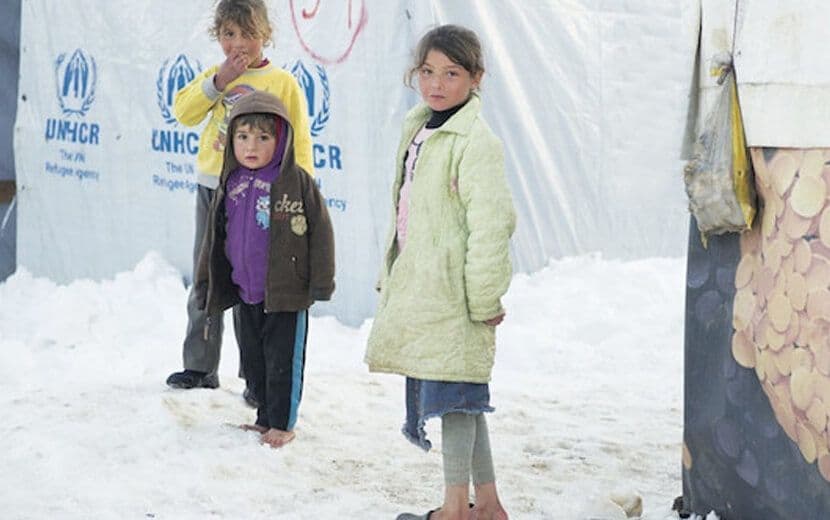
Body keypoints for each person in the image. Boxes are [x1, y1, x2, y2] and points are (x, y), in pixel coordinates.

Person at [364, 24, 515, 520]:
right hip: (427, 288)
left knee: (456, 396)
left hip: (456, 295)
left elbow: (490, 228)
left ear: (475, 78)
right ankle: (488, 505)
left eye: (451, 73)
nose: (436, 83)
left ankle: (455, 510)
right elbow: (407, 214)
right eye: (428, 71)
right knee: (462, 396)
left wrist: (484, 299)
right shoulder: (420, 128)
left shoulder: (475, 143)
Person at [166, 0, 314, 395]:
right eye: (229, 34)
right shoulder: (215, 77)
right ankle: (199, 367)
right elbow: (183, 112)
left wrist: (301, 192)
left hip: (260, 195)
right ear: (218, 36)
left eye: (247, 33)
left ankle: (257, 377)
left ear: (266, 34)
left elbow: (299, 137)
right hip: (214, 186)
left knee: (254, 282)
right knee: (207, 277)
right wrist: (217, 82)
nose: (238, 44)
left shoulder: (282, 82)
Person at [194, 90, 334, 448]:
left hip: (286, 293)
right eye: (242, 137)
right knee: (254, 360)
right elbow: (215, 237)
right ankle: (263, 417)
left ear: (282, 138)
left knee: (283, 360)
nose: (251, 146)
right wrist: (208, 280)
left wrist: (321, 281)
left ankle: (283, 423)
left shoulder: (296, 182)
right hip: (246, 291)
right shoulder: (232, 182)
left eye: (263, 137)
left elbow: (320, 232)